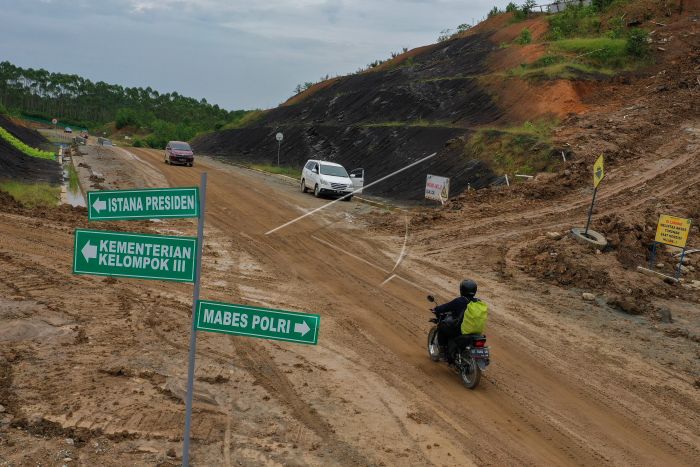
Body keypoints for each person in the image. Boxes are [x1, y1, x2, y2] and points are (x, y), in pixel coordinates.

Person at [433, 279, 487, 364]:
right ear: (475, 291)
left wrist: (436, 309)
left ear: (461, 290)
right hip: (475, 330)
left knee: (442, 326)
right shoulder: (478, 302)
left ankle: (443, 351)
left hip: (460, 330)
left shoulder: (460, 301)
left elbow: (446, 307)